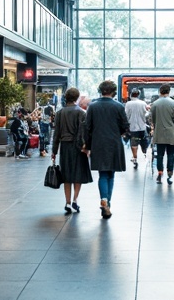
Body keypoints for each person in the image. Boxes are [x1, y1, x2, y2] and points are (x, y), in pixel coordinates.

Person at [82, 79, 128, 218]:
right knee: (111, 174)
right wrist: (117, 132)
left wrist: (88, 145)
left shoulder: (93, 106)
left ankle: (104, 200)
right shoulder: (119, 106)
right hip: (114, 143)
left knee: (102, 174)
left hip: (98, 143)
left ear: (100, 91)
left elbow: (87, 127)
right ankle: (108, 202)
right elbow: (125, 125)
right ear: (113, 92)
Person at [51, 87, 92, 213]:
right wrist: (85, 147)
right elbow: (83, 132)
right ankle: (75, 200)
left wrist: (54, 151)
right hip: (77, 147)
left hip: (65, 146)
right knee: (77, 175)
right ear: (77, 98)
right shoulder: (81, 112)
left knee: (66, 175)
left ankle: (67, 202)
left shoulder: (59, 113)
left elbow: (56, 133)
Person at [148, 85, 174, 184]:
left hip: (159, 133)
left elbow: (151, 119)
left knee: (160, 155)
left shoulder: (155, 104)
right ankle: (170, 174)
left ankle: (160, 173)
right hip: (170, 133)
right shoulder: (173, 103)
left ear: (160, 91)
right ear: (169, 91)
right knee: (171, 154)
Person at [124, 88, 151, 168]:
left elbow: (126, 115)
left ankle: (135, 158)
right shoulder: (143, 103)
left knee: (134, 143)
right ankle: (144, 152)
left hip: (132, 127)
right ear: (138, 95)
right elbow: (147, 114)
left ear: (131, 94)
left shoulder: (128, 104)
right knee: (144, 141)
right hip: (142, 127)